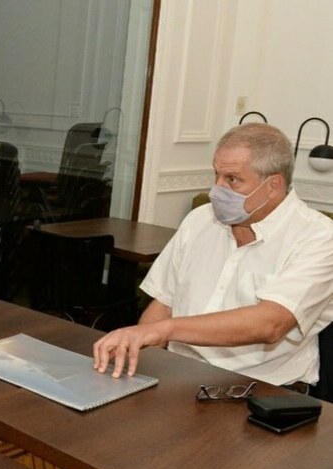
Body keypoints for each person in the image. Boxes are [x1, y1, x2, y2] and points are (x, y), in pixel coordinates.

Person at [93, 123, 333, 389]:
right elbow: (164, 304)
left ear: (273, 185)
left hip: (262, 391)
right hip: (179, 374)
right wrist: (137, 353)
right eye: (216, 175)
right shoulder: (199, 220)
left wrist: (165, 330)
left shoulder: (319, 236)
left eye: (232, 179)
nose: (215, 190)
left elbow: (271, 323)